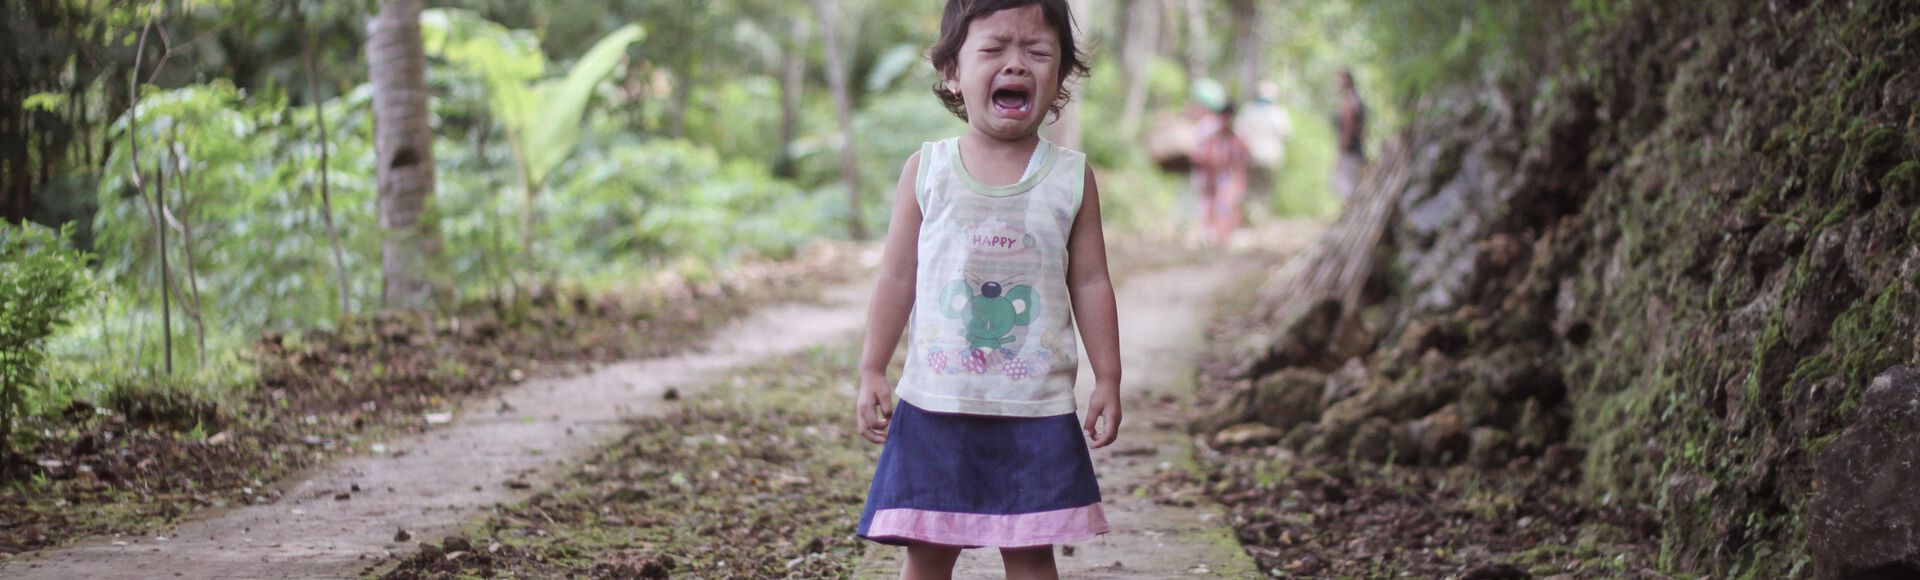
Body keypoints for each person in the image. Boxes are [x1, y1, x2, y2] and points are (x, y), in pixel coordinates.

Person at [851, 1, 1120, 578]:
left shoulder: (1071, 177)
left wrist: (1110, 377)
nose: (1015, 64)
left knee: (1029, 552)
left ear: (1061, 76)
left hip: (1036, 406)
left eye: (1037, 51)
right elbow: (898, 276)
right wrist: (873, 368)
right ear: (952, 71)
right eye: (993, 49)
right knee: (927, 552)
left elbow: (1092, 281)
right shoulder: (928, 170)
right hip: (936, 403)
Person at [1192, 102, 1252, 244]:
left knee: (1227, 207)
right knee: (1210, 207)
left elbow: (1243, 164)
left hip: (1229, 181)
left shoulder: (1238, 141)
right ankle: (1209, 234)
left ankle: (1224, 236)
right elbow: (1200, 158)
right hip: (1212, 180)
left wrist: (1238, 182)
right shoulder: (1211, 139)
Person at [1235, 81, 1294, 219]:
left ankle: (1253, 215)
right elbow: (1287, 134)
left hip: (1253, 155)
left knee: (1252, 188)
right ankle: (1259, 215)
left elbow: (1239, 133)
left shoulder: (1248, 110)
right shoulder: (1278, 112)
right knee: (1265, 188)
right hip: (1271, 156)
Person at [1332, 69, 1368, 200]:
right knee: (1349, 183)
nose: (1336, 83)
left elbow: (1348, 127)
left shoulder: (1351, 101)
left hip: (1350, 148)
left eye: (1339, 79)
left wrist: (1342, 148)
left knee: (1346, 184)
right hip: (1355, 147)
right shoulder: (1354, 99)